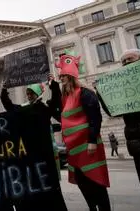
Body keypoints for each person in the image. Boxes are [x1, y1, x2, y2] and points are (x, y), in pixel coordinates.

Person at [0, 76, 67, 211]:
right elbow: (9, 106)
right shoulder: (23, 109)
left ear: (37, 94)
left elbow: (56, 102)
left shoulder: (44, 108)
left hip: (44, 154)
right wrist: (4, 90)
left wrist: (53, 85)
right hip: (30, 156)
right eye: (28, 94)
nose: (29, 96)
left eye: (31, 93)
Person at [55, 52, 111, 211]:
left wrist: (92, 140)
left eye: (64, 75)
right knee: (82, 182)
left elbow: (95, 117)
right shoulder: (65, 98)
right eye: (61, 76)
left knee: (96, 182)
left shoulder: (86, 93)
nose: (62, 78)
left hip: (88, 146)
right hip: (75, 149)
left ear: (71, 76)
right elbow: (61, 117)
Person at [96, 48, 140, 211]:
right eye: (124, 61)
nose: (127, 63)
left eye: (130, 59)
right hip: (138, 147)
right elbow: (112, 111)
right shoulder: (122, 88)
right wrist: (102, 94)